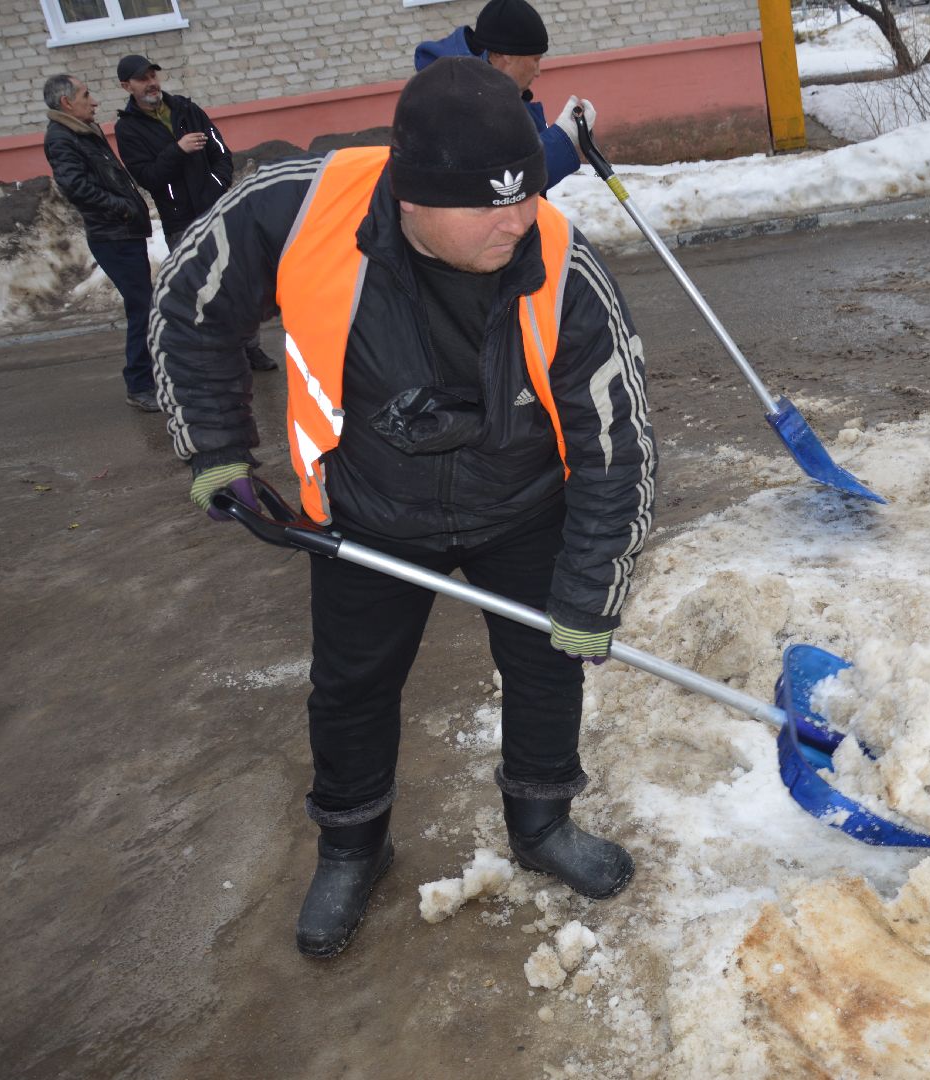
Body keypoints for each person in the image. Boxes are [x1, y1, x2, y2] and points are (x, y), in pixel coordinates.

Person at [152, 57, 655, 958]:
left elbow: (617, 446)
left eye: (527, 194)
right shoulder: (299, 209)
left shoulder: (563, 262)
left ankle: (541, 824)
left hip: (521, 503)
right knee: (351, 688)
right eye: (489, 205)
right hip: (369, 512)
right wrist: (217, 451)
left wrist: (589, 592)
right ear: (412, 197)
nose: (518, 220)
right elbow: (192, 304)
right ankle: (353, 846)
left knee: (547, 666)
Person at [113, 54, 277, 372]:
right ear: (126, 86)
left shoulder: (187, 110)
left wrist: (216, 185)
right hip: (180, 222)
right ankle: (223, 353)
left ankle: (251, 347)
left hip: (217, 210)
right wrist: (177, 150)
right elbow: (147, 177)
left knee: (239, 282)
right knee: (202, 290)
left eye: (153, 75)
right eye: (142, 79)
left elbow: (221, 153)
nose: (151, 83)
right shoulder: (128, 129)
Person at [40, 73, 158, 412]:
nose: (94, 101)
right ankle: (139, 385)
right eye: (86, 95)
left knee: (144, 306)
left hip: (123, 231)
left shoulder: (82, 130)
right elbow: (75, 187)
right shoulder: (62, 137)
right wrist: (122, 209)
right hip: (112, 235)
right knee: (142, 307)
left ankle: (150, 376)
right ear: (67, 102)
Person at [414, 0, 591, 193]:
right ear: (507, 55)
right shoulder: (457, 100)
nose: (538, 72)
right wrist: (564, 136)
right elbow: (504, 182)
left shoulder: (490, 89)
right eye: (535, 59)